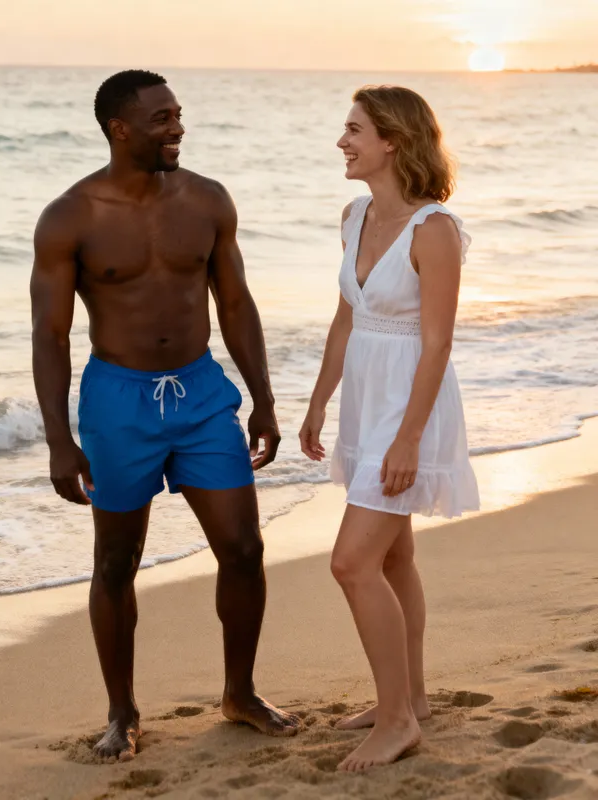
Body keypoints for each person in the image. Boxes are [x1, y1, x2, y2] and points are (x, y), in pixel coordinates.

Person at [30, 70, 300, 762]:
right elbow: (51, 336)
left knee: (243, 549)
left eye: (178, 115)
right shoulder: (71, 216)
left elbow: (235, 304)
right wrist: (60, 441)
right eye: (160, 120)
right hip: (118, 403)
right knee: (116, 561)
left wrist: (263, 398)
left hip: (203, 394)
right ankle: (122, 713)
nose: (176, 128)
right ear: (120, 129)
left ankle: (239, 692)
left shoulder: (207, 199)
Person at [299, 85, 480, 772]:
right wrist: (319, 401)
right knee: (394, 557)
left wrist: (407, 438)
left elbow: (436, 344)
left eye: (354, 130)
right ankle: (414, 697)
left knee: (352, 563)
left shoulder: (435, 231)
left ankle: (399, 718)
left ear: (393, 141)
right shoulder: (355, 214)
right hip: (363, 401)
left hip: (410, 405)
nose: (342, 142)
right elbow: (347, 316)